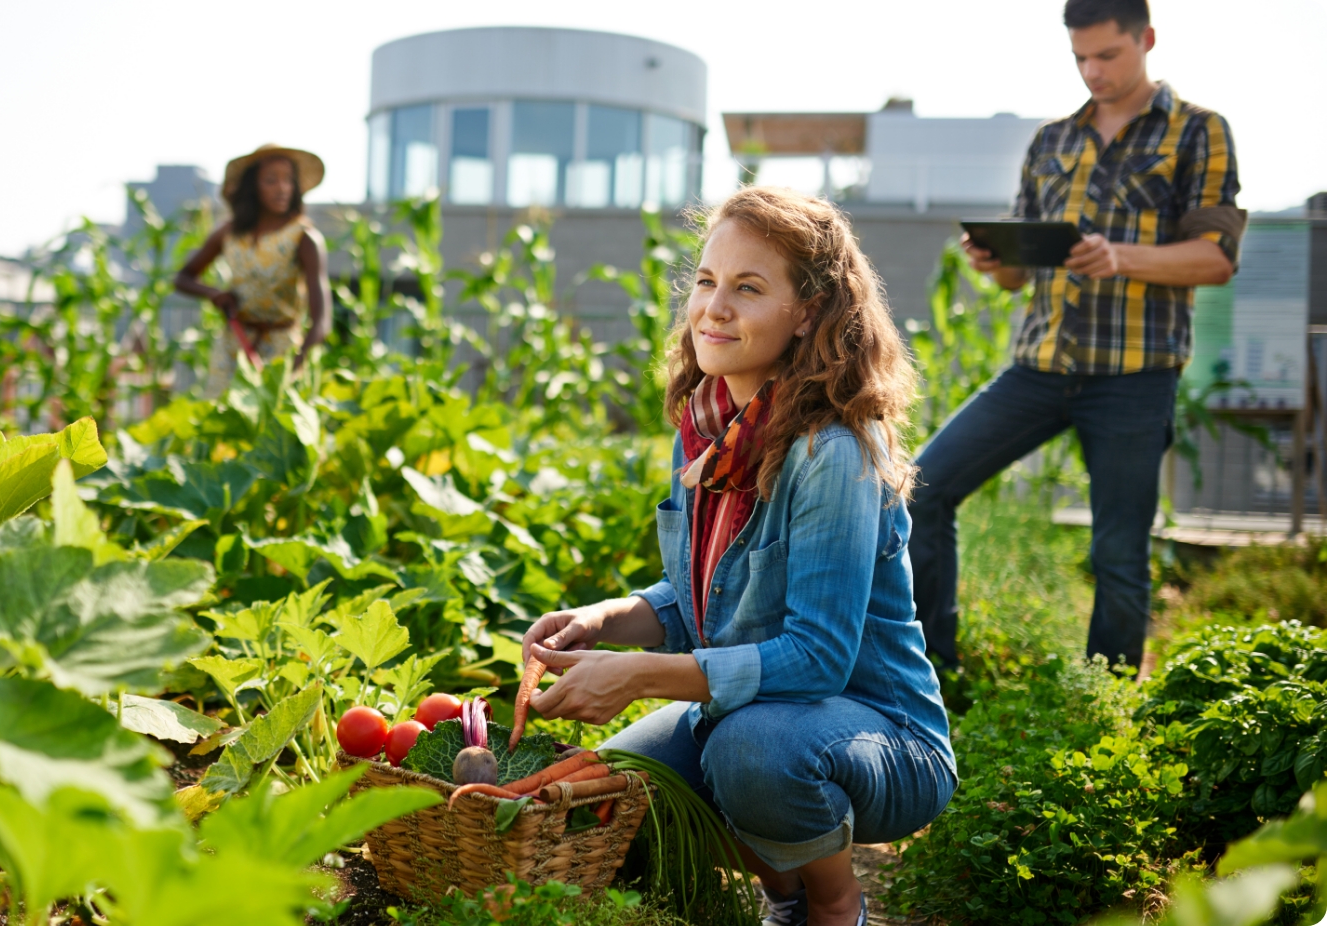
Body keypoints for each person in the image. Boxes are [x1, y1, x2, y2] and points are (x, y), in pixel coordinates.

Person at [521, 187, 956, 926]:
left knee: (748, 752)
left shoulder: (834, 451)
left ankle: (832, 904)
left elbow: (816, 657)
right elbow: (703, 601)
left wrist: (639, 679)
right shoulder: (706, 433)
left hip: (879, 735)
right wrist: (604, 622)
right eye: (706, 282)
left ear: (808, 312)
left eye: (748, 289)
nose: (714, 308)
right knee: (615, 793)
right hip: (748, 715)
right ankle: (783, 890)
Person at [911, 0, 1244, 672]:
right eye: (1080, 58)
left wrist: (1121, 256)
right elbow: (1014, 278)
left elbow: (1216, 257)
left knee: (1118, 554)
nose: (1093, 71)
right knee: (920, 490)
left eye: (1108, 55)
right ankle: (931, 676)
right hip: (1038, 368)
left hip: (1135, 377)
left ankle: (1107, 702)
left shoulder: (1198, 131)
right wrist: (996, 260)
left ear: (1145, 39)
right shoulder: (1051, 140)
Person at [174, 144, 332, 395]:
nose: (282, 188)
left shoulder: (304, 238)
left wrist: (291, 370)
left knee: (271, 429)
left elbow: (321, 322)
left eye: (289, 181)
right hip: (234, 345)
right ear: (252, 188)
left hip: (282, 352)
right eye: (271, 181)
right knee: (220, 423)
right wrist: (215, 295)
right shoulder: (229, 233)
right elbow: (182, 278)